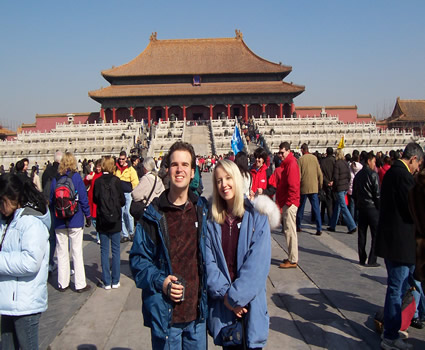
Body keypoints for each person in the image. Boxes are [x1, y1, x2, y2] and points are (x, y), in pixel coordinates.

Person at [129, 141, 209, 349]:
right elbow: (138, 261)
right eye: (175, 165)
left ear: (193, 172)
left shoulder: (202, 211)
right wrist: (161, 282)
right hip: (167, 318)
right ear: (167, 169)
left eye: (185, 165)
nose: (180, 169)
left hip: (197, 318)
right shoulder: (153, 215)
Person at [206, 159, 277, 349]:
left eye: (228, 178)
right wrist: (226, 298)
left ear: (237, 179)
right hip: (224, 306)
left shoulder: (257, 216)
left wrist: (235, 298)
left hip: (250, 304)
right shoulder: (211, 220)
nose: (224, 184)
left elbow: (257, 266)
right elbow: (208, 262)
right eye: (219, 180)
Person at [376, 142, 424, 350]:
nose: (418, 169)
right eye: (418, 165)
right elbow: (411, 209)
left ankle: (396, 327)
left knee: (404, 285)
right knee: (396, 288)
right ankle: (390, 335)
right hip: (399, 243)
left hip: (395, 242)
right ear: (413, 159)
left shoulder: (393, 173)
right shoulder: (402, 176)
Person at [0, 173, 50, 349]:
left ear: (13, 198)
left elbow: (30, 262)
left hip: (25, 303)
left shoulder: (31, 223)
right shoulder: (8, 221)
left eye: (1, 201)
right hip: (8, 301)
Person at [50, 152, 92, 293]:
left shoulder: (55, 179)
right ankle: (80, 284)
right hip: (75, 219)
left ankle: (63, 283)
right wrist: (88, 215)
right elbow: (83, 199)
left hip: (59, 221)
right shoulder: (76, 178)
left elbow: (51, 200)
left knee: (61, 252)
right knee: (76, 252)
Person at [93, 156, 125, 290]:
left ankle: (106, 281)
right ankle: (115, 280)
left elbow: (95, 199)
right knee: (116, 250)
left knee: (104, 251)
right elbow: (122, 200)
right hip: (115, 220)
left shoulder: (98, 181)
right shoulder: (117, 181)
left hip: (102, 219)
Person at [272, 142, 300, 269]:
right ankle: (291, 256)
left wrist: (289, 203)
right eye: (279, 153)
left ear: (289, 151)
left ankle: (293, 259)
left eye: (282, 152)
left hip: (290, 202)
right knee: (288, 230)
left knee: (290, 230)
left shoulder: (291, 164)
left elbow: (293, 185)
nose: (280, 155)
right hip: (288, 201)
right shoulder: (288, 163)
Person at [352, 151, 380, 267]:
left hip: (362, 208)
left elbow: (354, 193)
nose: (375, 164)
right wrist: (379, 208)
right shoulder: (373, 175)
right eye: (374, 161)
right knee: (375, 235)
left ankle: (362, 258)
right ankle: (372, 259)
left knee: (362, 234)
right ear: (369, 161)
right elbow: (377, 194)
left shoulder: (358, 176)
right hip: (372, 208)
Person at [42, 150, 63, 273]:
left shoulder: (46, 172)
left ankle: (49, 262)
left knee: (50, 236)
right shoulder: (60, 172)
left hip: (48, 206)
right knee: (61, 236)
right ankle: (61, 264)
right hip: (60, 207)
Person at [296, 143, 323, 236]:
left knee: (301, 208)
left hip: (303, 187)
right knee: (316, 208)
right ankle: (319, 228)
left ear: (302, 150)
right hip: (314, 187)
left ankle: (298, 226)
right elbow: (320, 173)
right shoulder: (314, 158)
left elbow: (298, 175)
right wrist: (320, 185)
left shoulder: (300, 160)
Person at [327, 149, 357, 234]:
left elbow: (336, 177)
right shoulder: (345, 163)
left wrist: (334, 186)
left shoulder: (337, 164)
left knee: (343, 206)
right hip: (345, 187)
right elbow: (349, 176)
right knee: (338, 206)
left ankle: (352, 226)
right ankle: (332, 225)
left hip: (340, 188)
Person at [115, 151, 139, 243]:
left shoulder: (131, 170)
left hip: (128, 193)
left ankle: (131, 232)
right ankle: (125, 234)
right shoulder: (116, 169)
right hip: (119, 194)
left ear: (126, 159)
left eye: (122, 159)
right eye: (119, 159)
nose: (121, 161)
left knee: (128, 213)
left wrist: (134, 193)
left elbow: (135, 182)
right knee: (121, 214)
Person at [84, 159, 103, 244]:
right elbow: (84, 182)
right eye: (97, 166)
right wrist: (88, 178)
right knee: (93, 219)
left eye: (100, 166)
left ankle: (100, 235)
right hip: (92, 200)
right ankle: (99, 232)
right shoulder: (93, 174)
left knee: (99, 218)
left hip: (100, 200)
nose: (98, 168)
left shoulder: (103, 175)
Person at [320, 147, 335, 225]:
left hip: (325, 184)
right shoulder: (334, 161)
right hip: (333, 184)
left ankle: (322, 217)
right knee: (331, 201)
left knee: (324, 201)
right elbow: (336, 172)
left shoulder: (323, 162)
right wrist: (332, 181)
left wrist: (326, 181)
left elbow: (321, 173)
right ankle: (331, 219)